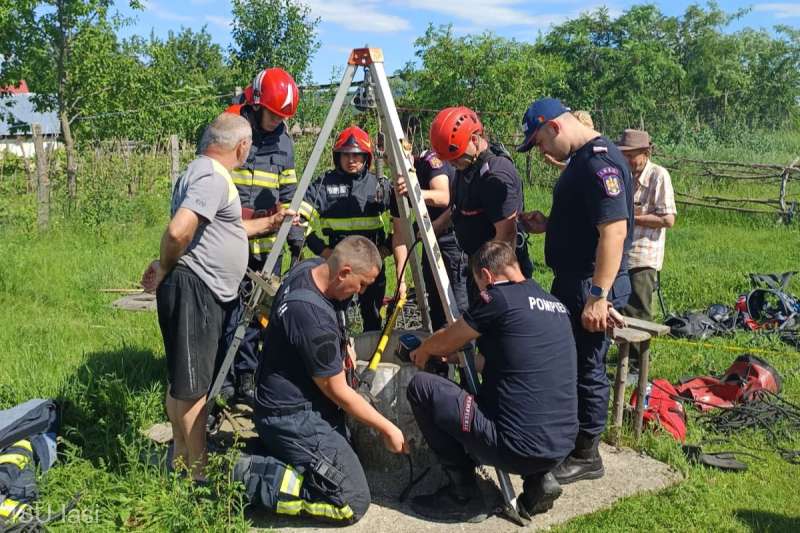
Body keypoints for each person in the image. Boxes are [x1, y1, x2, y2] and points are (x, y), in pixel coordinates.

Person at [141, 113, 295, 481]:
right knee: (194, 390)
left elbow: (227, 226)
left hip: (195, 287)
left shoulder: (201, 172)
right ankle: (198, 475)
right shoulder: (211, 176)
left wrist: (272, 222)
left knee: (182, 380)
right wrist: (164, 265)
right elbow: (179, 231)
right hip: (196, 288)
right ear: (241, 147)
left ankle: (179, 460)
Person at [234, 236, 408, 524]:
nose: (362, 292)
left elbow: (335, 318)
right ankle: (244, 473)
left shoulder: (312, 269)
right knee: (351, 500)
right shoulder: (311, 317)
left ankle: (278, 455)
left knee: (344, 458)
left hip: (289, 403)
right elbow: (337, 390)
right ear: (344, 273)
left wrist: (345, 342)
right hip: (289, 417)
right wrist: (388, 428)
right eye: (362, 284)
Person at [405, 241, 578, 522]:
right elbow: (512, 361)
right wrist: (461, 361)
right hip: (560, 444)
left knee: (422, 387)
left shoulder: (498, 299)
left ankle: (462, 494)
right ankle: (539, 478)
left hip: (514, 446)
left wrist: (426, 349)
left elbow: (451, 338)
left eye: (480, 285)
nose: (482, 292)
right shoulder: (555, 305)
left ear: (486, 275)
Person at [517, 97, 633, 484]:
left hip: (589, 283)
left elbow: (613, 230)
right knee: (573, 361)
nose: (542, 151)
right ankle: (571, 440)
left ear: (554, 126)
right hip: (574, 280)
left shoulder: (600, 163)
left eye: (540, 142)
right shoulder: (580, 161)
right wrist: (549, 224)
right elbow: (588, 219)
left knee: (588, 366)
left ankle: (587, 453)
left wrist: (599, 295)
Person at [222, 67, 302, 404]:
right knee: (228, 312)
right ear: (256, 103)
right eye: (273, 114)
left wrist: (296, 234)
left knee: (259, 312)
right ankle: (222, 379)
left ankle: (247, 377)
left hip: (268, 245)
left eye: (283, 116)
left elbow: (289, 189)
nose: (276, 121)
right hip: (229, 239)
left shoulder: (283, 140)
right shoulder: (229, 130)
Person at [423, 106, 532, 305]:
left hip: (498, 274)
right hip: (477, 266)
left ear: (474, 139)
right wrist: (433, 229)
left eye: (455, 157)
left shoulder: (495, 175)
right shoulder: (467, 167)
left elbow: (506, 235)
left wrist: (491, 283)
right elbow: (459, 207)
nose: (452, 163)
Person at [303, 126, 402, 331]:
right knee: (334, 319)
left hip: (372, 269)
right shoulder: (323, 185)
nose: (351, 160)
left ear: (367, 157)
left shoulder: (379, 185)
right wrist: (323, 250)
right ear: (336, 156)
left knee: (373, 319)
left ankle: (372, 357)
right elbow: (299, 221)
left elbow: (400, 223)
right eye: (345, 154)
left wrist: (384, 250)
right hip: (338, 269)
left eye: (357, 155)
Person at [391, 143, 468, 329]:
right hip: (429, 240)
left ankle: (463, 352)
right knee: (435, 302)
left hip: (452, 239)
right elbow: (400, 234)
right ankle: (439, 351)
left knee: (457, 304)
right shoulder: (395, 185)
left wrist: (414, 190)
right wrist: (400, 280)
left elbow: (443, 197)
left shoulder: (430, 162)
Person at [617, 129, 676, 361]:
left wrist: (632, 217)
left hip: (643, 254)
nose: (629, 160)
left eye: (633, 155)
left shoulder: (658, 175)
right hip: (622, 252)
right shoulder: (625, 175)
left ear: (646, 152)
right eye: (625, 155)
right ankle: (624, 355)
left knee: (639, 310)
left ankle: (638, 363)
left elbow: (668, 219)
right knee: (620, 306)